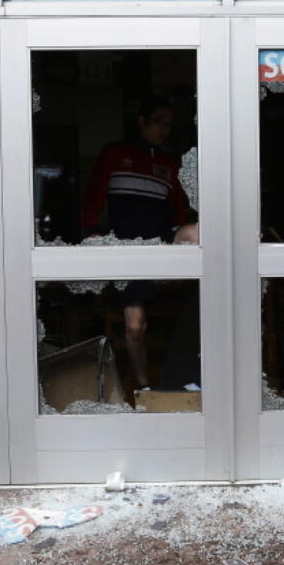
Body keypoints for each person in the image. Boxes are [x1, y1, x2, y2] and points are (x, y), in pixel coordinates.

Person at [81, 97, 192, 391]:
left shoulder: (169, 163)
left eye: (169, 125)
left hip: (162, 241)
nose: (165, 130)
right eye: (160, 123)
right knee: (135, 326)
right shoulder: (116, 154)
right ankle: (144, 388)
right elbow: (93, 195)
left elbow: (179, 209)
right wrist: (92, 232)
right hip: (126, 246)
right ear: (142, 121)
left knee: (199, 233)